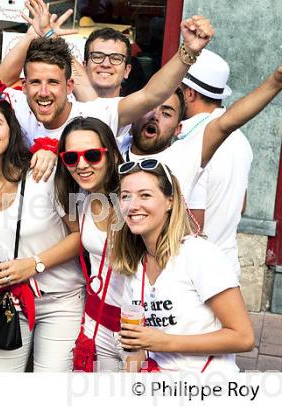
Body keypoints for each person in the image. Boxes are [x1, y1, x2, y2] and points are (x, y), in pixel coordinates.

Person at [0, 0, 214, 183]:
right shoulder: (15, 105)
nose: (43, 92)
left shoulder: (92, 115)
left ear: (69, 86)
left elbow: (151, 96)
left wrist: (189, 51)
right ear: (24, 85)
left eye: (53, 83)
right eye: (35, 83)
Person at [0, 91, 83, 372]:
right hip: (8, 302)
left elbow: (80, 235)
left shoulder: (43, 174)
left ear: (11, 129)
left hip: (60, 300)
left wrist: (34, 264)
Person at [112, 159, 254, 372]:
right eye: (125, 196)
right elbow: (139, 348)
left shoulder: (199, 255)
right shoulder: (135, 265)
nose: (132, 206)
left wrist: (165, 342)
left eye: (145, 195)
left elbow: (243, 337)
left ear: (170, 202)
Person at [124, 63, 282, 207]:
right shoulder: (113, 144)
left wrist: (276, 81)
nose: (155, 116)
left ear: (178, 128)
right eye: (149, 107)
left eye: (166, 113)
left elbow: (225, 124)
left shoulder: (182, 159)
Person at [54, 116, 125, 371]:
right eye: (71, 158)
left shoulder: (134, 201)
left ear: (113, 156)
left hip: (138, 327)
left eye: (93, 155)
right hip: (99, 321)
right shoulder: (79, 200)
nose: (81, 165)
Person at [180, 50, 252, 277]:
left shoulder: (196, 140)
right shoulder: (240, 138)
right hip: (227, 265)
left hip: (197, 270)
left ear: (189, 94)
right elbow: (242, 205)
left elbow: (193, 223)